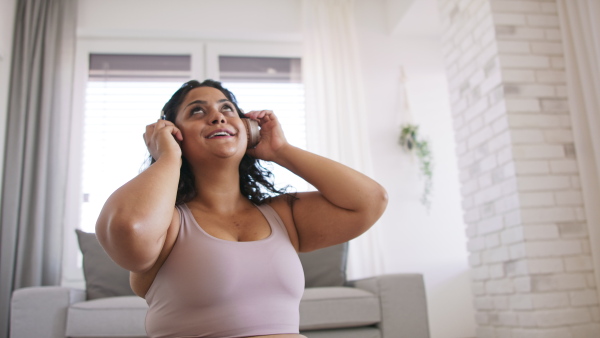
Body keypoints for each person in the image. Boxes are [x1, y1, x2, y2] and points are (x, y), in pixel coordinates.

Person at [95, 79, 388, 338]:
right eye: (197, 111)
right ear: (174, 133)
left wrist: (280, 150)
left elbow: (370, 201)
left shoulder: (283, 217)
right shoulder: (168, 225)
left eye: (227, 109)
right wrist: (168, 158)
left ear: (248, 130)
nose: (217, 117)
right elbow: (128, 229)